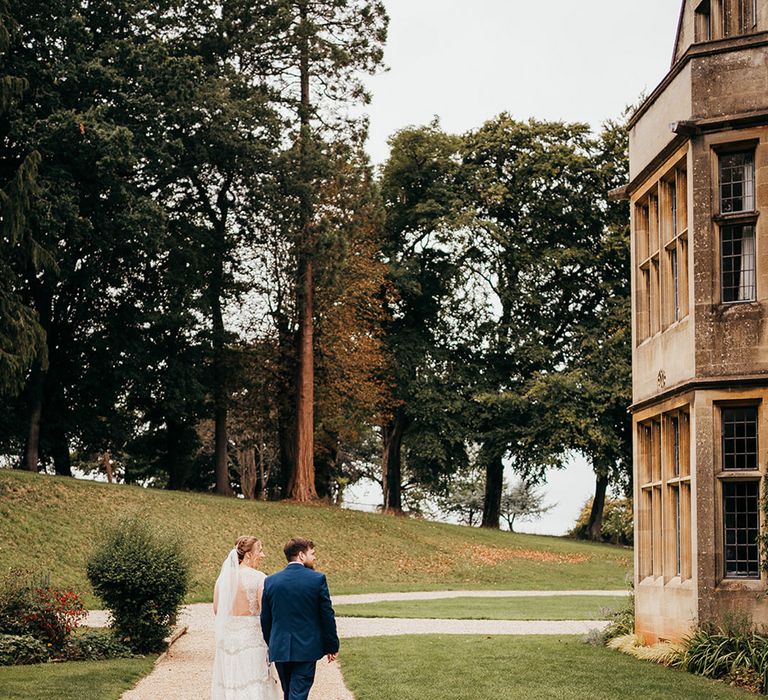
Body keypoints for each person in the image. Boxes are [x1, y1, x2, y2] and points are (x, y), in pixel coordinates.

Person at [260, 537, 339, 700]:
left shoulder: (270, 581)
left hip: (279, 647)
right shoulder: (317, 579)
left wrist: (273, 643)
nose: (314, 557)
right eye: (312, 553)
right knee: (297, 694)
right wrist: (332, 646)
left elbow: (265, 619)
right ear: (301, 556)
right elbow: (327, 615)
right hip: (306, 648)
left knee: (289, 691)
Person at [211, 536, 282, 700]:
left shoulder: (223, 579)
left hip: (228, 639)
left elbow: (217, 610)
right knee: (254, 680)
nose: (263, 555)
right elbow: (266, 612)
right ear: (249, 554)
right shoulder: (259, 578)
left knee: (232, 681)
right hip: (252, 640)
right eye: (260, 550)